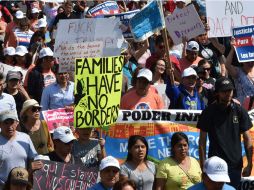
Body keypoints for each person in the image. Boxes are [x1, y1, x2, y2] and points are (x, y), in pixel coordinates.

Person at [198, 77, 253, 189]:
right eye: (224, 91)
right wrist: (203, 166)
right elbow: (202, 141)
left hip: (235, 165)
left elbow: (248, 139)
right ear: (217, 92)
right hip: (214, 167)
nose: (228, 93)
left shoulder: (240, 110)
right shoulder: (208, 112)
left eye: (230, 90)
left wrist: (250, 164)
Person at [0, 110, 37, 189]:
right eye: (6, 123)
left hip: (22, 185)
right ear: (0, 124)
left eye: (12, 122)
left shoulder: (25, 138)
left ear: (17, 123)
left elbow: (32, 160)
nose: (10, 126)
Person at [225, 38, 254, 105]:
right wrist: (233, 49)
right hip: (244, 108)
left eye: (252, 61)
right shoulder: (238, 71)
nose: (250, 63)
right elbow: (227, 65)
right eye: (247, 61)